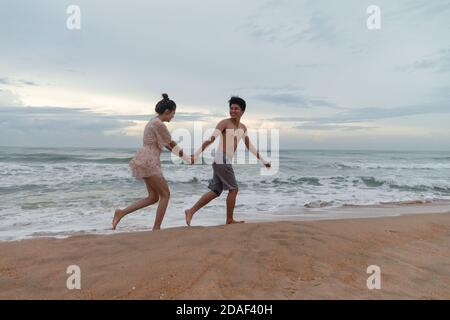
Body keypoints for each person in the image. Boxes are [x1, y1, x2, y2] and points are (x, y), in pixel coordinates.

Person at [184, 96, 271, 226]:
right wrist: (196, 155)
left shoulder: (243, 127)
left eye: (236, 108)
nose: (233, 111)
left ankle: (190, 211)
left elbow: (249, 146)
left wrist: (263, 160)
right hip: (221, 159)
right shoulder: (224, 123)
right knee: (234, 189)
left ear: (242, 111)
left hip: (223, 161)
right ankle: (229, 220)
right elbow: (211, 139)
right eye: (231, 108)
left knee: (215, 191)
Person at [113, 93, 191, 230]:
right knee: (165, 195)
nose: (173, 116)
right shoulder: (158, 124)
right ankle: (156, 228)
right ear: (167, 111)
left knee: (153, 197)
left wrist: (184, 157)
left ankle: (121, 212)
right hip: (149, 161)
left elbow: (166, 145)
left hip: (145, 159)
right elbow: (171, 143)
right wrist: (186, 157)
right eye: (173, 113)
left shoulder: (153, 121)